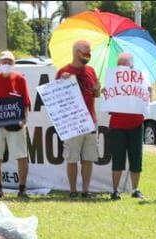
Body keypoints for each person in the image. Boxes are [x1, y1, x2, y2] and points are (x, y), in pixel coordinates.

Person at [56, 40, 100, 199]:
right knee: (72, 158)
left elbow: (96, 94)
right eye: (85, 52)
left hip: (90, 120)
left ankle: (85, 191)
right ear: (76, 52)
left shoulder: (92, 71)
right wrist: (62, 81)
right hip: (72, 122)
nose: (88, 55)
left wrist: (97, 90)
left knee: (88, 158)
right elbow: (56, 97)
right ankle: (73, 190)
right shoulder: (63, 71)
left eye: (89, 52)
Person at [0, 50, 31, 199]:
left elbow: (26, 102)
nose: (6, 64)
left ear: (14, 64)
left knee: (22, 156)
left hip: (16, 125)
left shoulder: (20, 79)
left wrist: (24, 119)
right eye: (4, 61)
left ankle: (22, 188)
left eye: (9, 61)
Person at [105, 52, 149, 201]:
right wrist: (106, 93)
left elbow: (146, 101)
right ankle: (115, 190)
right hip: (117, 125)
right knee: (118, 158)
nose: (121, 67)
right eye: (119, 64)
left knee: (136, 158)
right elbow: (109, 106)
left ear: (132, 65)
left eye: (124, 64)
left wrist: (149, 92)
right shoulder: (113, 80)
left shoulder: (140, 79)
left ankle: (135, 189)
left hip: (136, 124)